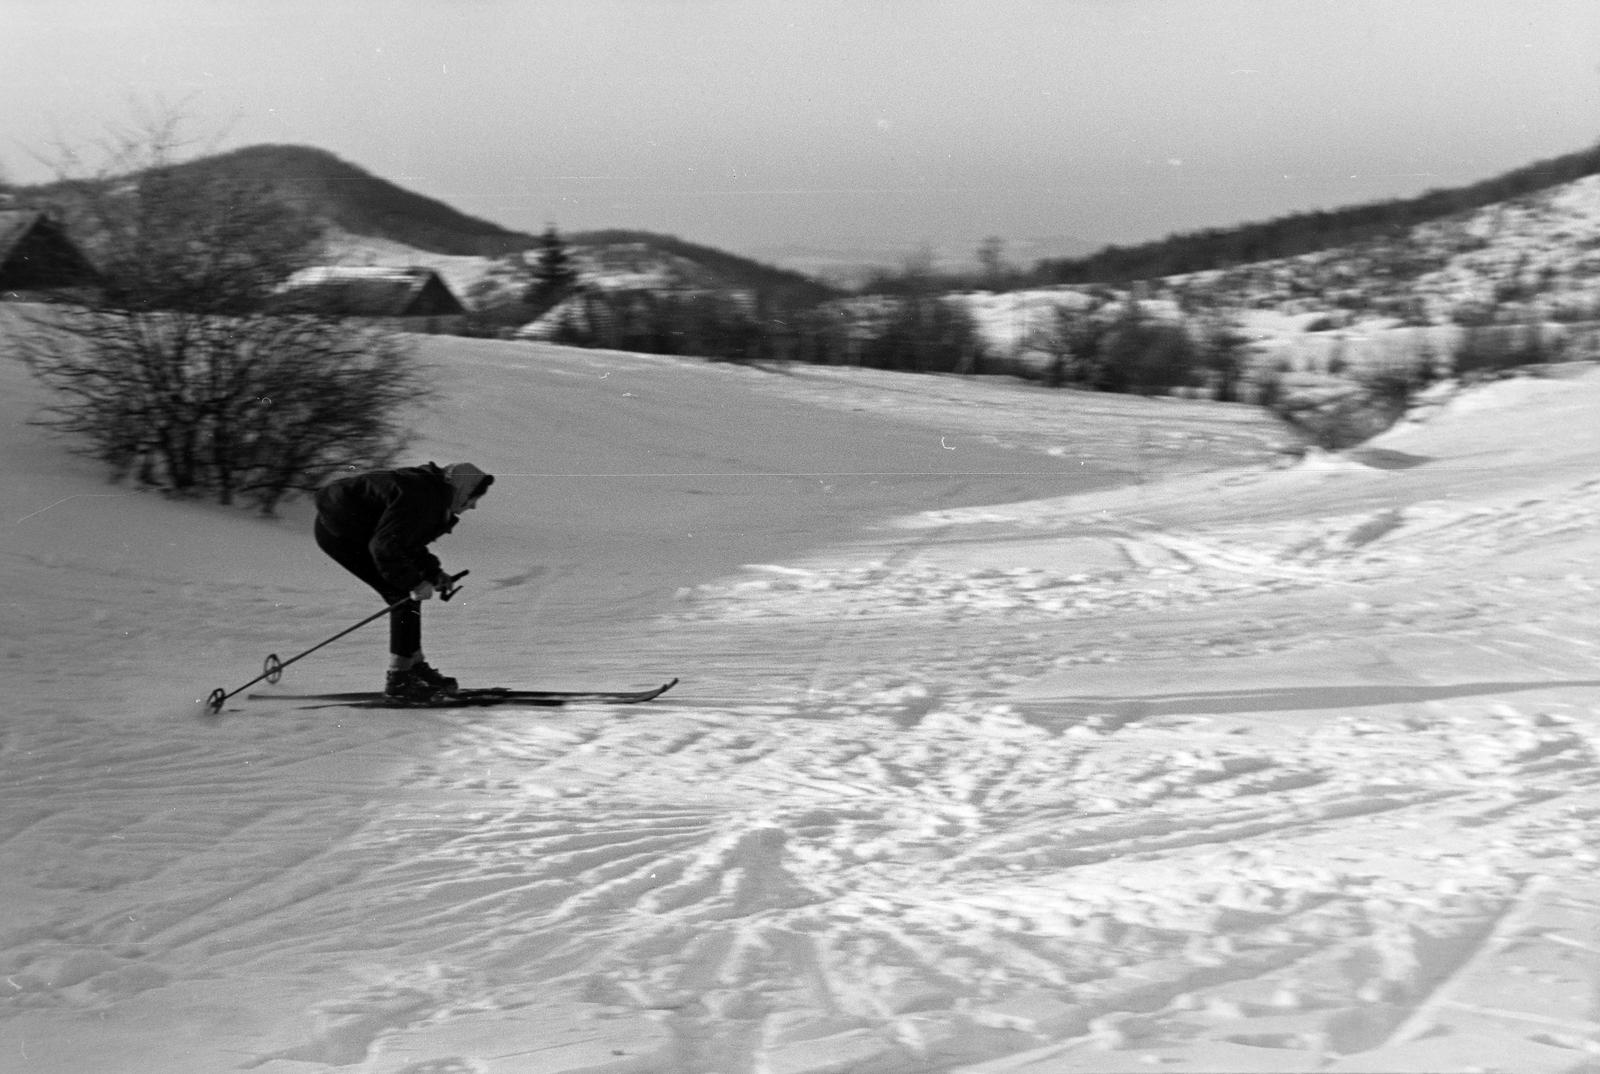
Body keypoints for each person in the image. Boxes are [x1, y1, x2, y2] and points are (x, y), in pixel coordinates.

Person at [313, 461, 494, 699]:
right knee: (401, 595)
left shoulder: (433, 494)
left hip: (361, 532)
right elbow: (386, 547)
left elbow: (406, 540)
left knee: (406, 593)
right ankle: (399, 679)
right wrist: (415, 583)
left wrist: (432, 574)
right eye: (473, 497)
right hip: (340, 534)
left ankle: (412, 666)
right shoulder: (423, 499)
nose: (474, 505)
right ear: (461, 489)